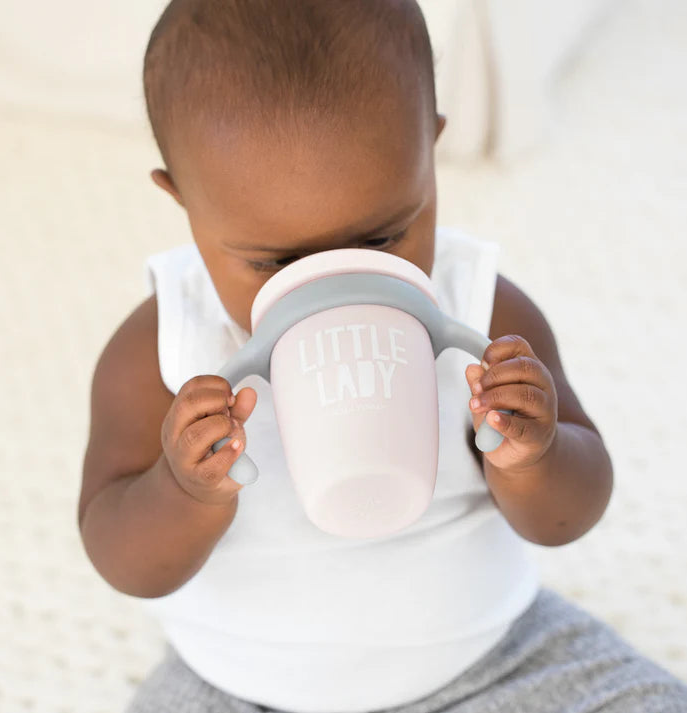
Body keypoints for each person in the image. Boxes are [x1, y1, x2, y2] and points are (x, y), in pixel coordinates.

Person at [78, 1, 687, 711]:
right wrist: (182, 491)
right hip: (236, 682)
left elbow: (566, 517)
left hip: (494, 658)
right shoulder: (161, 349)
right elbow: (125, 560)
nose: (334, 284)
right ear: (182, 199)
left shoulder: (484, 313)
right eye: (273, 260)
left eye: (380, 239)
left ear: (427, 150)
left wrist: (533, 455)